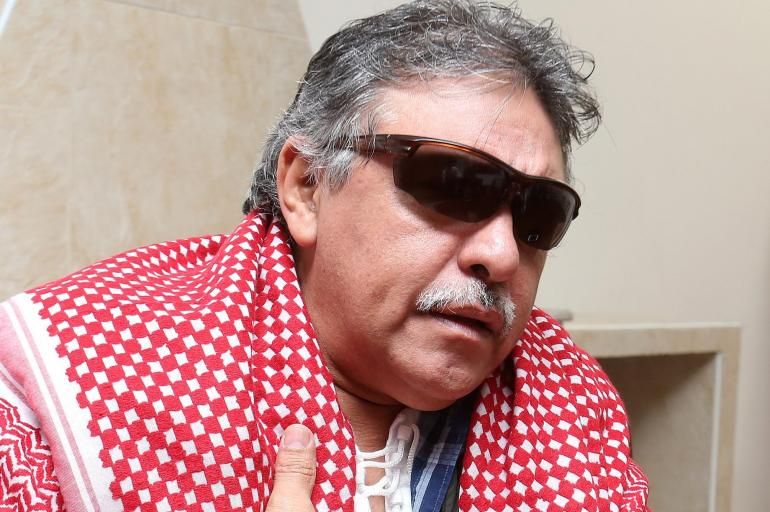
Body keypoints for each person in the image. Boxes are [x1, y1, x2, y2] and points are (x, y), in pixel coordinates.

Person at [0, 1, 650, 511]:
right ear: (307, 187)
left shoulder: (575, 413)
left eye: (539, 214)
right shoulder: (65, 393)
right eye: (455, 184)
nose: (501, 254)